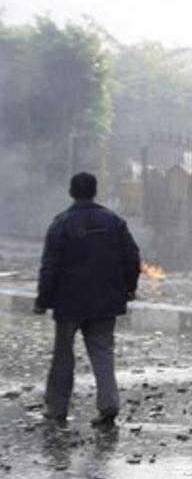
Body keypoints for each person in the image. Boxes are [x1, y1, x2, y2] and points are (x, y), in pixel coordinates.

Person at [35, 172, 141, 427]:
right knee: (103, 353)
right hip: (105, 301)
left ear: (71, 192)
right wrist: (129, 287)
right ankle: (108, 406)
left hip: (68, 302)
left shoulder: (61, 223)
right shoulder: (113, 221)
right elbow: (131, 256)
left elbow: (50, 266)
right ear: (95, 191)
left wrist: (42, 300)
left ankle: (57, 409)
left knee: (63, 355)